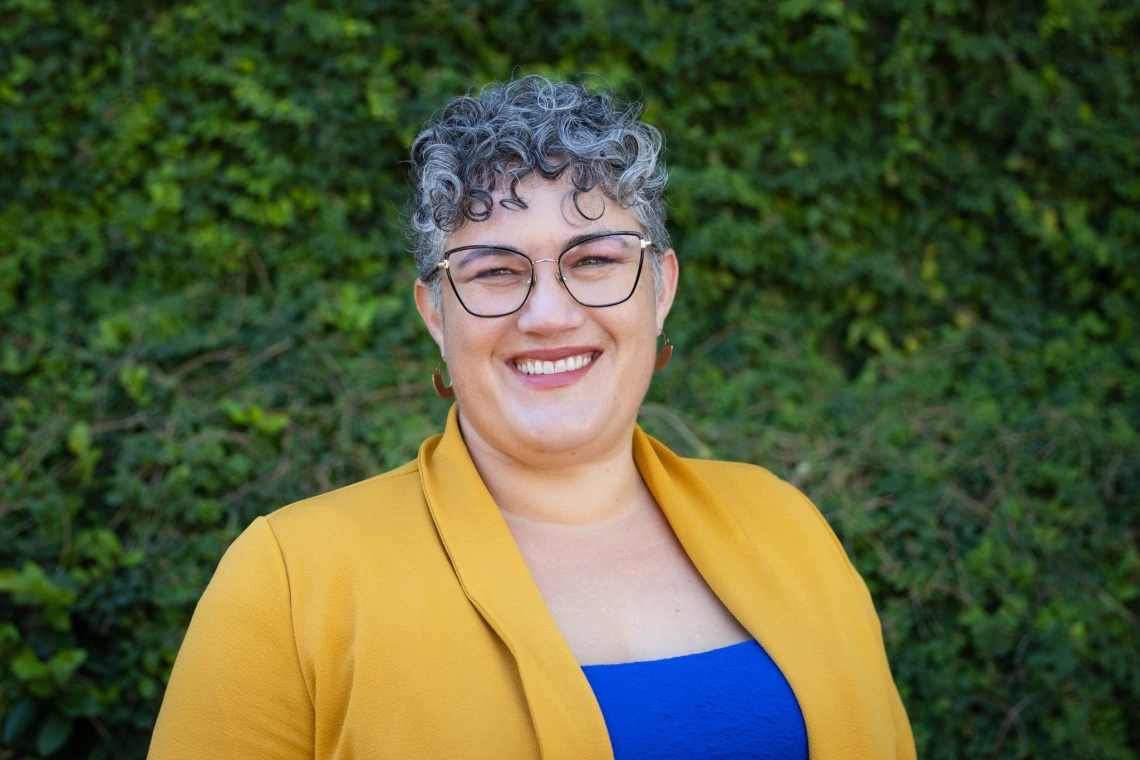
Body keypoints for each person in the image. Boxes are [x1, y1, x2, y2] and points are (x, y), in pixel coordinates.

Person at [147, 75, 915, 760]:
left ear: (661, 288)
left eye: (594, 260)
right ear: (436, 315)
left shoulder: (787, 524)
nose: (549, 314)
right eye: (495, 271)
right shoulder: (289, 578)